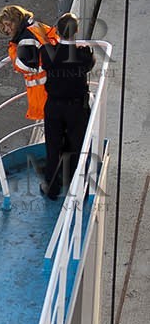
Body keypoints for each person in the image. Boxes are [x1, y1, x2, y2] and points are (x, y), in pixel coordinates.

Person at [38, 13, 95, 200]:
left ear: (58, 31)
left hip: (54, 106)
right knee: (77, 145)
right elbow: (89, 64)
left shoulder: (47, 52)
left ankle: (52, 187)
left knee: (53, 146)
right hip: (76, 108)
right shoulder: (83, 54)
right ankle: (76, 185)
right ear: (76, 31)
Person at [0, 4, 59, 122]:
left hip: (45, 93)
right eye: (4, 27)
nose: (7, 29)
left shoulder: (26, 39)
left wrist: (13, 51)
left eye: (8, 25)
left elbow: (25, 66)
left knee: (54, 128)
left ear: (17, 19)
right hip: (57, 85)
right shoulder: (36, 27)